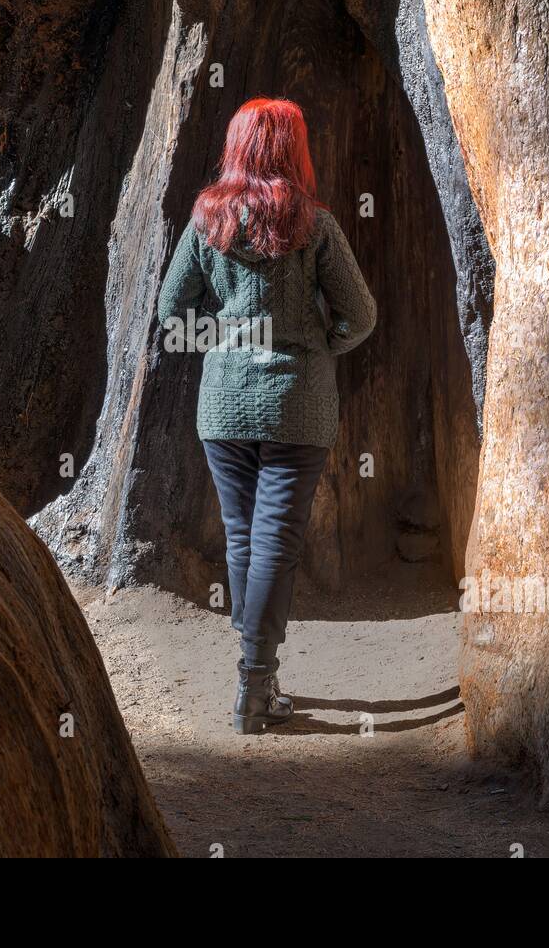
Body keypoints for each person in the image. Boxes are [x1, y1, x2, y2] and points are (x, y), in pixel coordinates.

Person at [157, 96, 376, 734]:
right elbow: (360, 316)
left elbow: (173, 313)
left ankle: (258, 676)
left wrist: (227, 341)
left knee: (244, 534)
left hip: (223, 405)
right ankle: (255, 685)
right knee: (275, 542)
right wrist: (315, 345)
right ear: (293, 150)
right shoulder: (316, 226)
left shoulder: (208, 220)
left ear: (237, 147)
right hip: (297, 405)